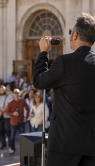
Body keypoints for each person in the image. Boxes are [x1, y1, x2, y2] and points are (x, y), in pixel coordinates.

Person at [33, 12, 95, 166]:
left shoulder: (65, 62)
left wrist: (43, 53)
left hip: (64, 143)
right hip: (92, 143)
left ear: (75, 35)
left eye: (70, 33)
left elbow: (39, 81)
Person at [6, 88, 30, 155]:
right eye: (15, 93)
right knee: (12, 137)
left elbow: (28, 109)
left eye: (17, 93)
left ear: (19, 94)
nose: (16, 94)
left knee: (22, 136)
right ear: (13, 94)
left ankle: (24, 149)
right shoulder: (10, 103)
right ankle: (12, 149)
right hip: (13, 122)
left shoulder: (22, 101)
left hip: (20, 121)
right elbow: (7, 112)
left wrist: (26, 117)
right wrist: (13, 113)